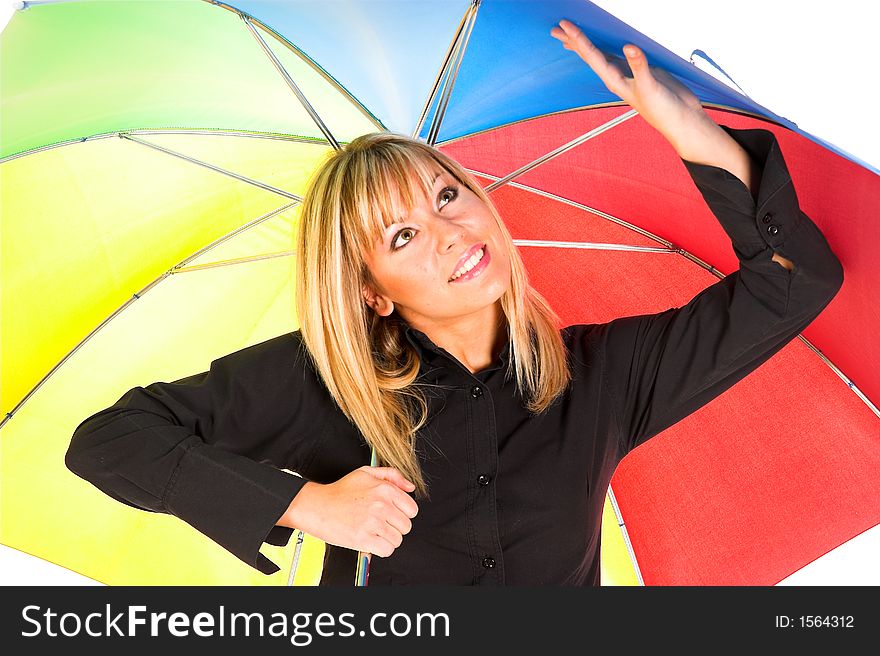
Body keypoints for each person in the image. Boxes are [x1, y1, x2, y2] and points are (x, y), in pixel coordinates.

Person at [65, 21, 843, 585]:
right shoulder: (328, 384)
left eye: (447, 195)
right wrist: (306, 503)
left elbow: (795, 279)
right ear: (369, 291)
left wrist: (685, 127)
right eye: (401, 236)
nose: (448, 233)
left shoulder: (604, 377)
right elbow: (108, 441)